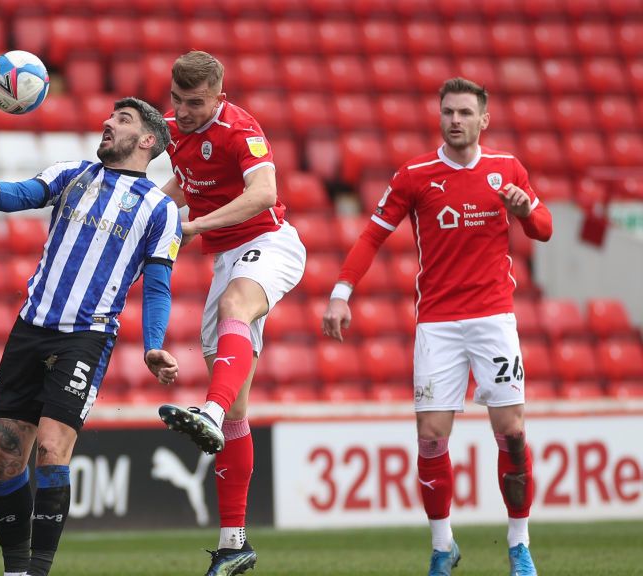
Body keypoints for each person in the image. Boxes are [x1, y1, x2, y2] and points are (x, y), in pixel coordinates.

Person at [322, 77, 552, 576]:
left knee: (511, 432)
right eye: (448, 111)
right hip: (438, 324)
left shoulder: (506, 169)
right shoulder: (416, 174)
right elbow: (372, 235)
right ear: (439, 115)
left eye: (465, 113)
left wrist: (526, 209)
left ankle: (519, 545)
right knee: (430, 437)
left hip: (494, 318)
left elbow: (545, 229)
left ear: (482, 120)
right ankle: (443, 546)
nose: (455, 120)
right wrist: (342, 292)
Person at [0, 97, 182, 576]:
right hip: (31, 327)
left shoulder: (161, 210)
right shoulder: (73, 173)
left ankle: (38, 571)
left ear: (148, 140)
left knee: (51, 448)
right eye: (109, 116)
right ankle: (15, 570)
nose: (107, 122)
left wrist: (153, 343)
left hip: (85, 336)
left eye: (121, 120)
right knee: (4, 451)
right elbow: (25, 192)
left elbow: (159, 285)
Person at [156, 50, 306, 576]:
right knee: (239, 408)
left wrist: (192, 226)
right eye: (176, 100)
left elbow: (264, 191)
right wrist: (151, 207)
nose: (184, 110)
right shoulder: (174, 129)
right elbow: (184, 181)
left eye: (195, 103)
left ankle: (208, 414)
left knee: (233, 305)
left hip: (270, 241)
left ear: (219, 97)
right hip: (226, 259)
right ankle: (234, 543)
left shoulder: (241, 128)